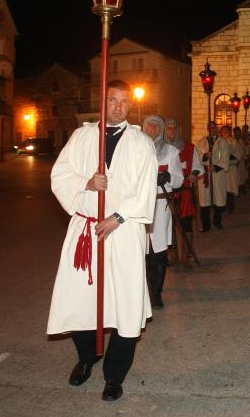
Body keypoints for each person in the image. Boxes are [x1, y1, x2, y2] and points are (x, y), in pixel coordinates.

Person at [47, 79, 158, 402]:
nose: (119, 106)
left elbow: (145, 188)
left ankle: (114, 375)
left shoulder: (140, 143)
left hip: (123, 232)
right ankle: (87, 356)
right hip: (86, 231)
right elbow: (59, 176)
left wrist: (118, 217)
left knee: (124, 305)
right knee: (78, 299)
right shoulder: (82, 137)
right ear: (103, 102)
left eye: (125, 101)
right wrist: (87, 184)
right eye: (113, 99)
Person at [142, 115, 184, 309]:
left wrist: (168, 176)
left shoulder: (170, 151)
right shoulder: (135, 150)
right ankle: (142, 292)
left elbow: (178, 180)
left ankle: (156, 293)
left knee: (158, 250)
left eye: (157, 125)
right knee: (140, 250)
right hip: (138, 206)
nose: (152, 129)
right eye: (149, 125)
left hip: (159, 206)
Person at [165, 118, 204, 268]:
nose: (172, 131)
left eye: (174, 128)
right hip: (166, 192)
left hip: (185, 192)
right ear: (165, 130)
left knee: (186, 223)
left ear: (178, 130)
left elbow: (197, 166)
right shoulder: (160, 150)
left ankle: (186, 255)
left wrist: (194, 173)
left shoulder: (189, 148)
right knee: (168, 224)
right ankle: (171, 255)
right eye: (169, 128)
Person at [195, 121, 229, 231]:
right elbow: (197, 156)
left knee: (218, 199)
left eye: (215, 127)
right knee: (205, 200)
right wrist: (205, 156)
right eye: (211, 127)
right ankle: (206, 225)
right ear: (207, 128)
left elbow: (225, 157)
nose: (213, 129)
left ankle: (217, 221)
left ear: (217, 128)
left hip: (217, 173)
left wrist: (215, 167)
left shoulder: (222, 142)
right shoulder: (202, 142)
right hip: (205, 174)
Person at [222, 125, 240, 213]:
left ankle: (230, 207)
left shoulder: (234, 142)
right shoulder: (219, 141)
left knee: (230, 189)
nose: (225, 133)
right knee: (221, 189)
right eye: (223, 131)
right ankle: (221, 207)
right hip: (221, 170)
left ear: (229, 132)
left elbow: (237, 154)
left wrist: (229, 154)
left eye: (226, 131)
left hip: (230, 168)